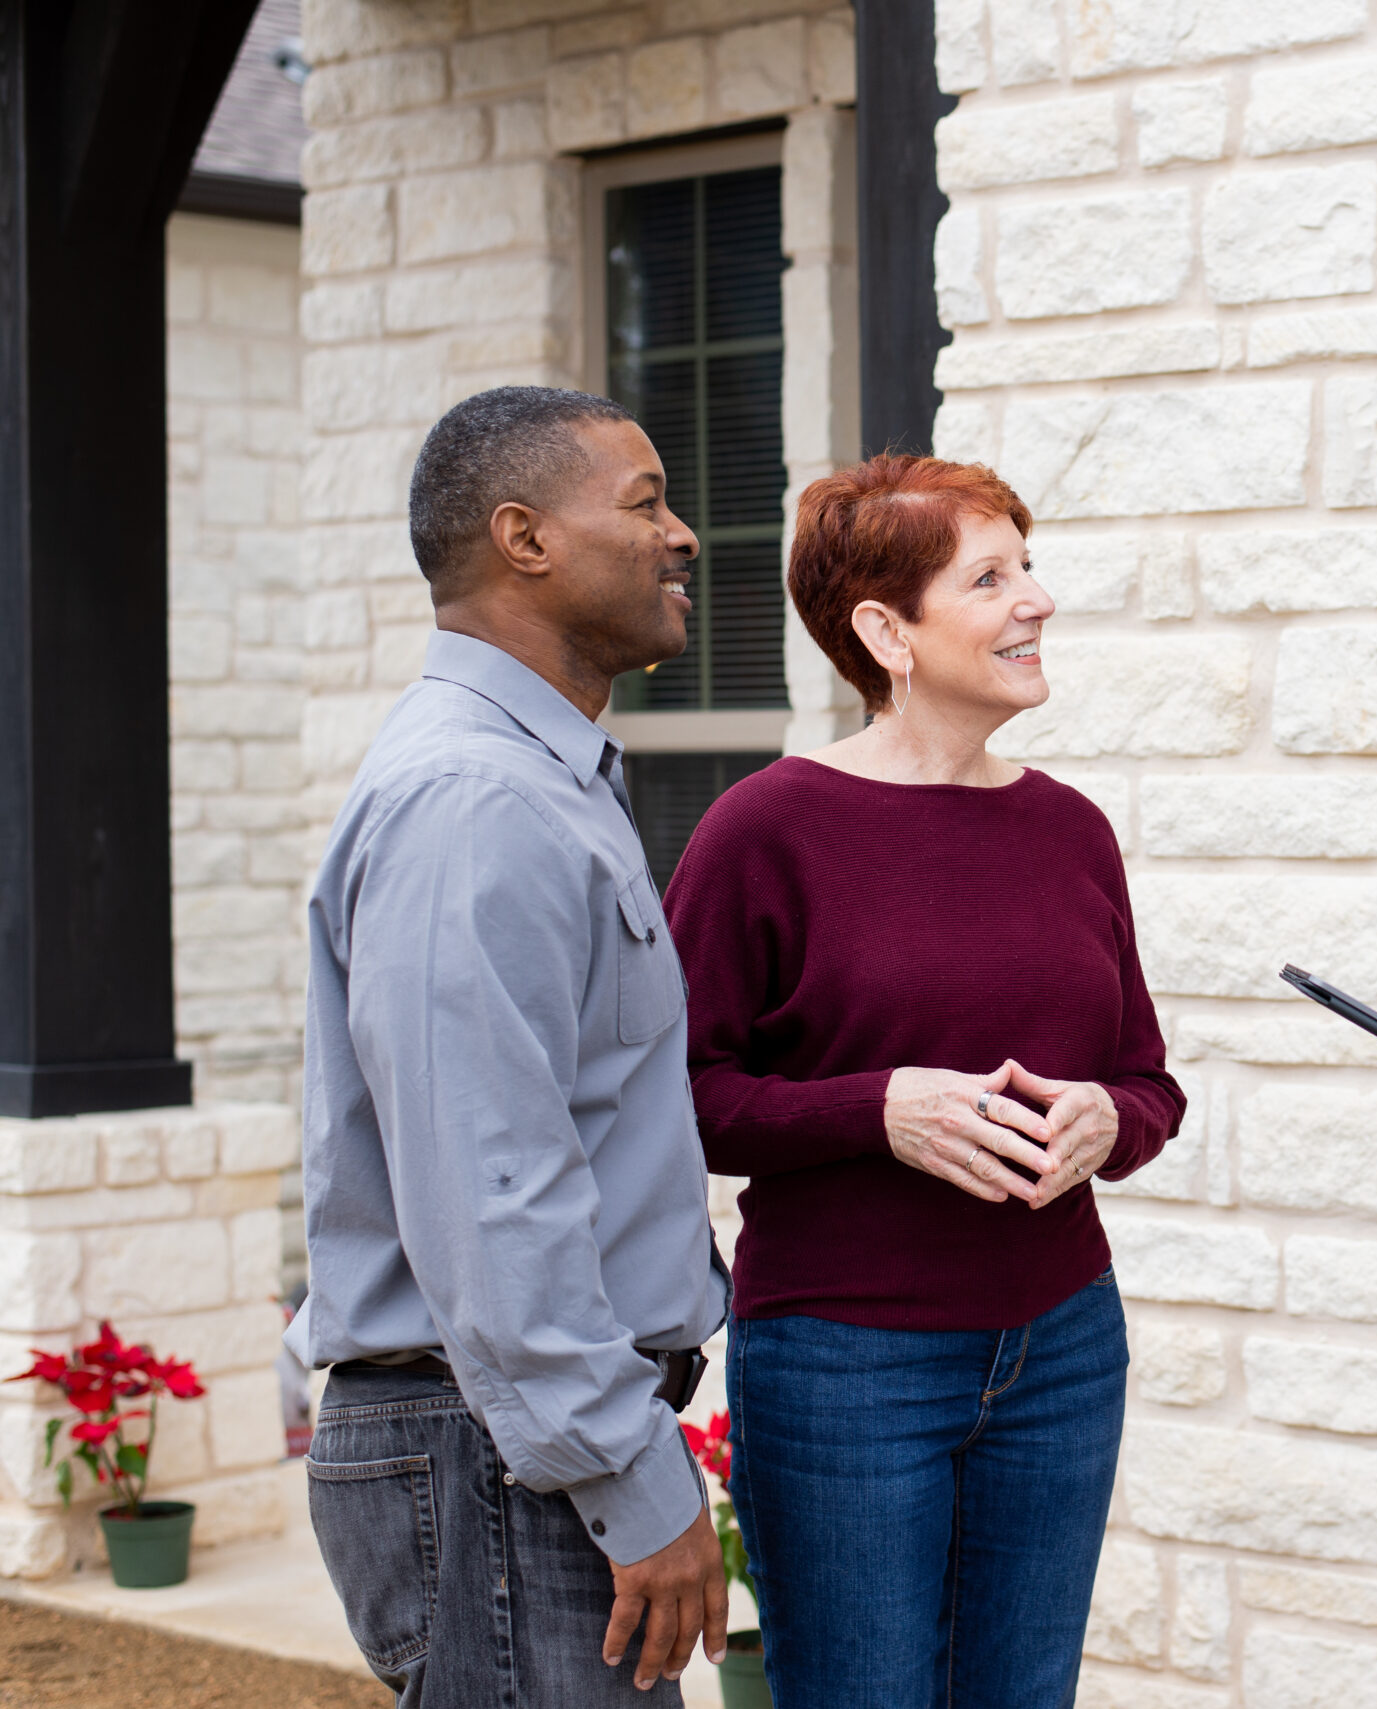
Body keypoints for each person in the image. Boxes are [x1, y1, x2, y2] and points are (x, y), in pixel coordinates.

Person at [662, 454, 1183, 1707]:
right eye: (990, 576)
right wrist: (874, 1107)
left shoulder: (1069, 828)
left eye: (1029, 564)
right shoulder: (763, 830)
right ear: (884, 630)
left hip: (1062, 1344)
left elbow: (1148, 1082)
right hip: (848, 1364)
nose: (1036, 599)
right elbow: (675, 1098)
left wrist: (1108, 1119)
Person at [291, 386, 730, 1704]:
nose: (684, 535)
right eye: (645, 501)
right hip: (500, 1457)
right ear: (524, 537)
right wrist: (628, 1471)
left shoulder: (536, 777)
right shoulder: (477, 801)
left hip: (511, 1440)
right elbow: (494, 1191)